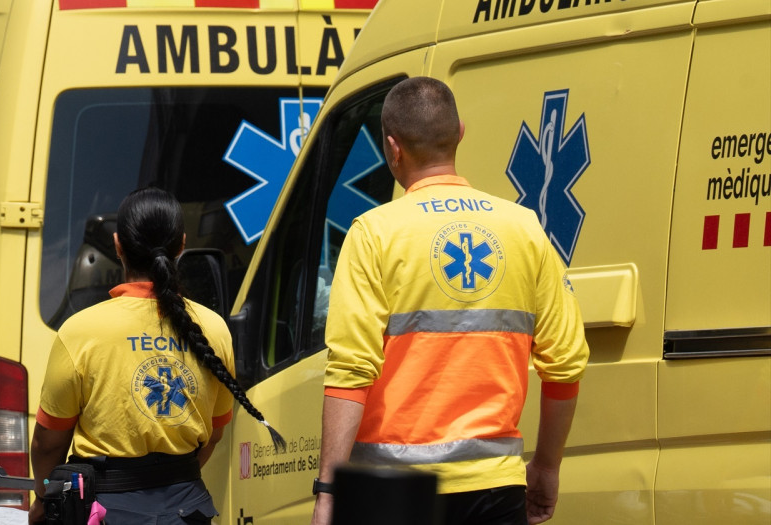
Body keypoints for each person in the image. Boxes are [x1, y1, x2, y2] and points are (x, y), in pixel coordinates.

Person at [310, 77, 589, 525]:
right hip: (495, 487)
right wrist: (547, 467)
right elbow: (567, 364)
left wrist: (328, 491)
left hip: (392, 491)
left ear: (392, 148)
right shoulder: (523, 228)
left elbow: (351, 370)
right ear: (460, 132)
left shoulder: (374, 233)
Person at [30, 187, 285, 525]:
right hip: (187, 511)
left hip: (104, 512)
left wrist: (44, 499)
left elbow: (48, 443)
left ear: (118, 246)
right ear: (181, 244)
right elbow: (214, 433)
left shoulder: (80, 331)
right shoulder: (214, 328)